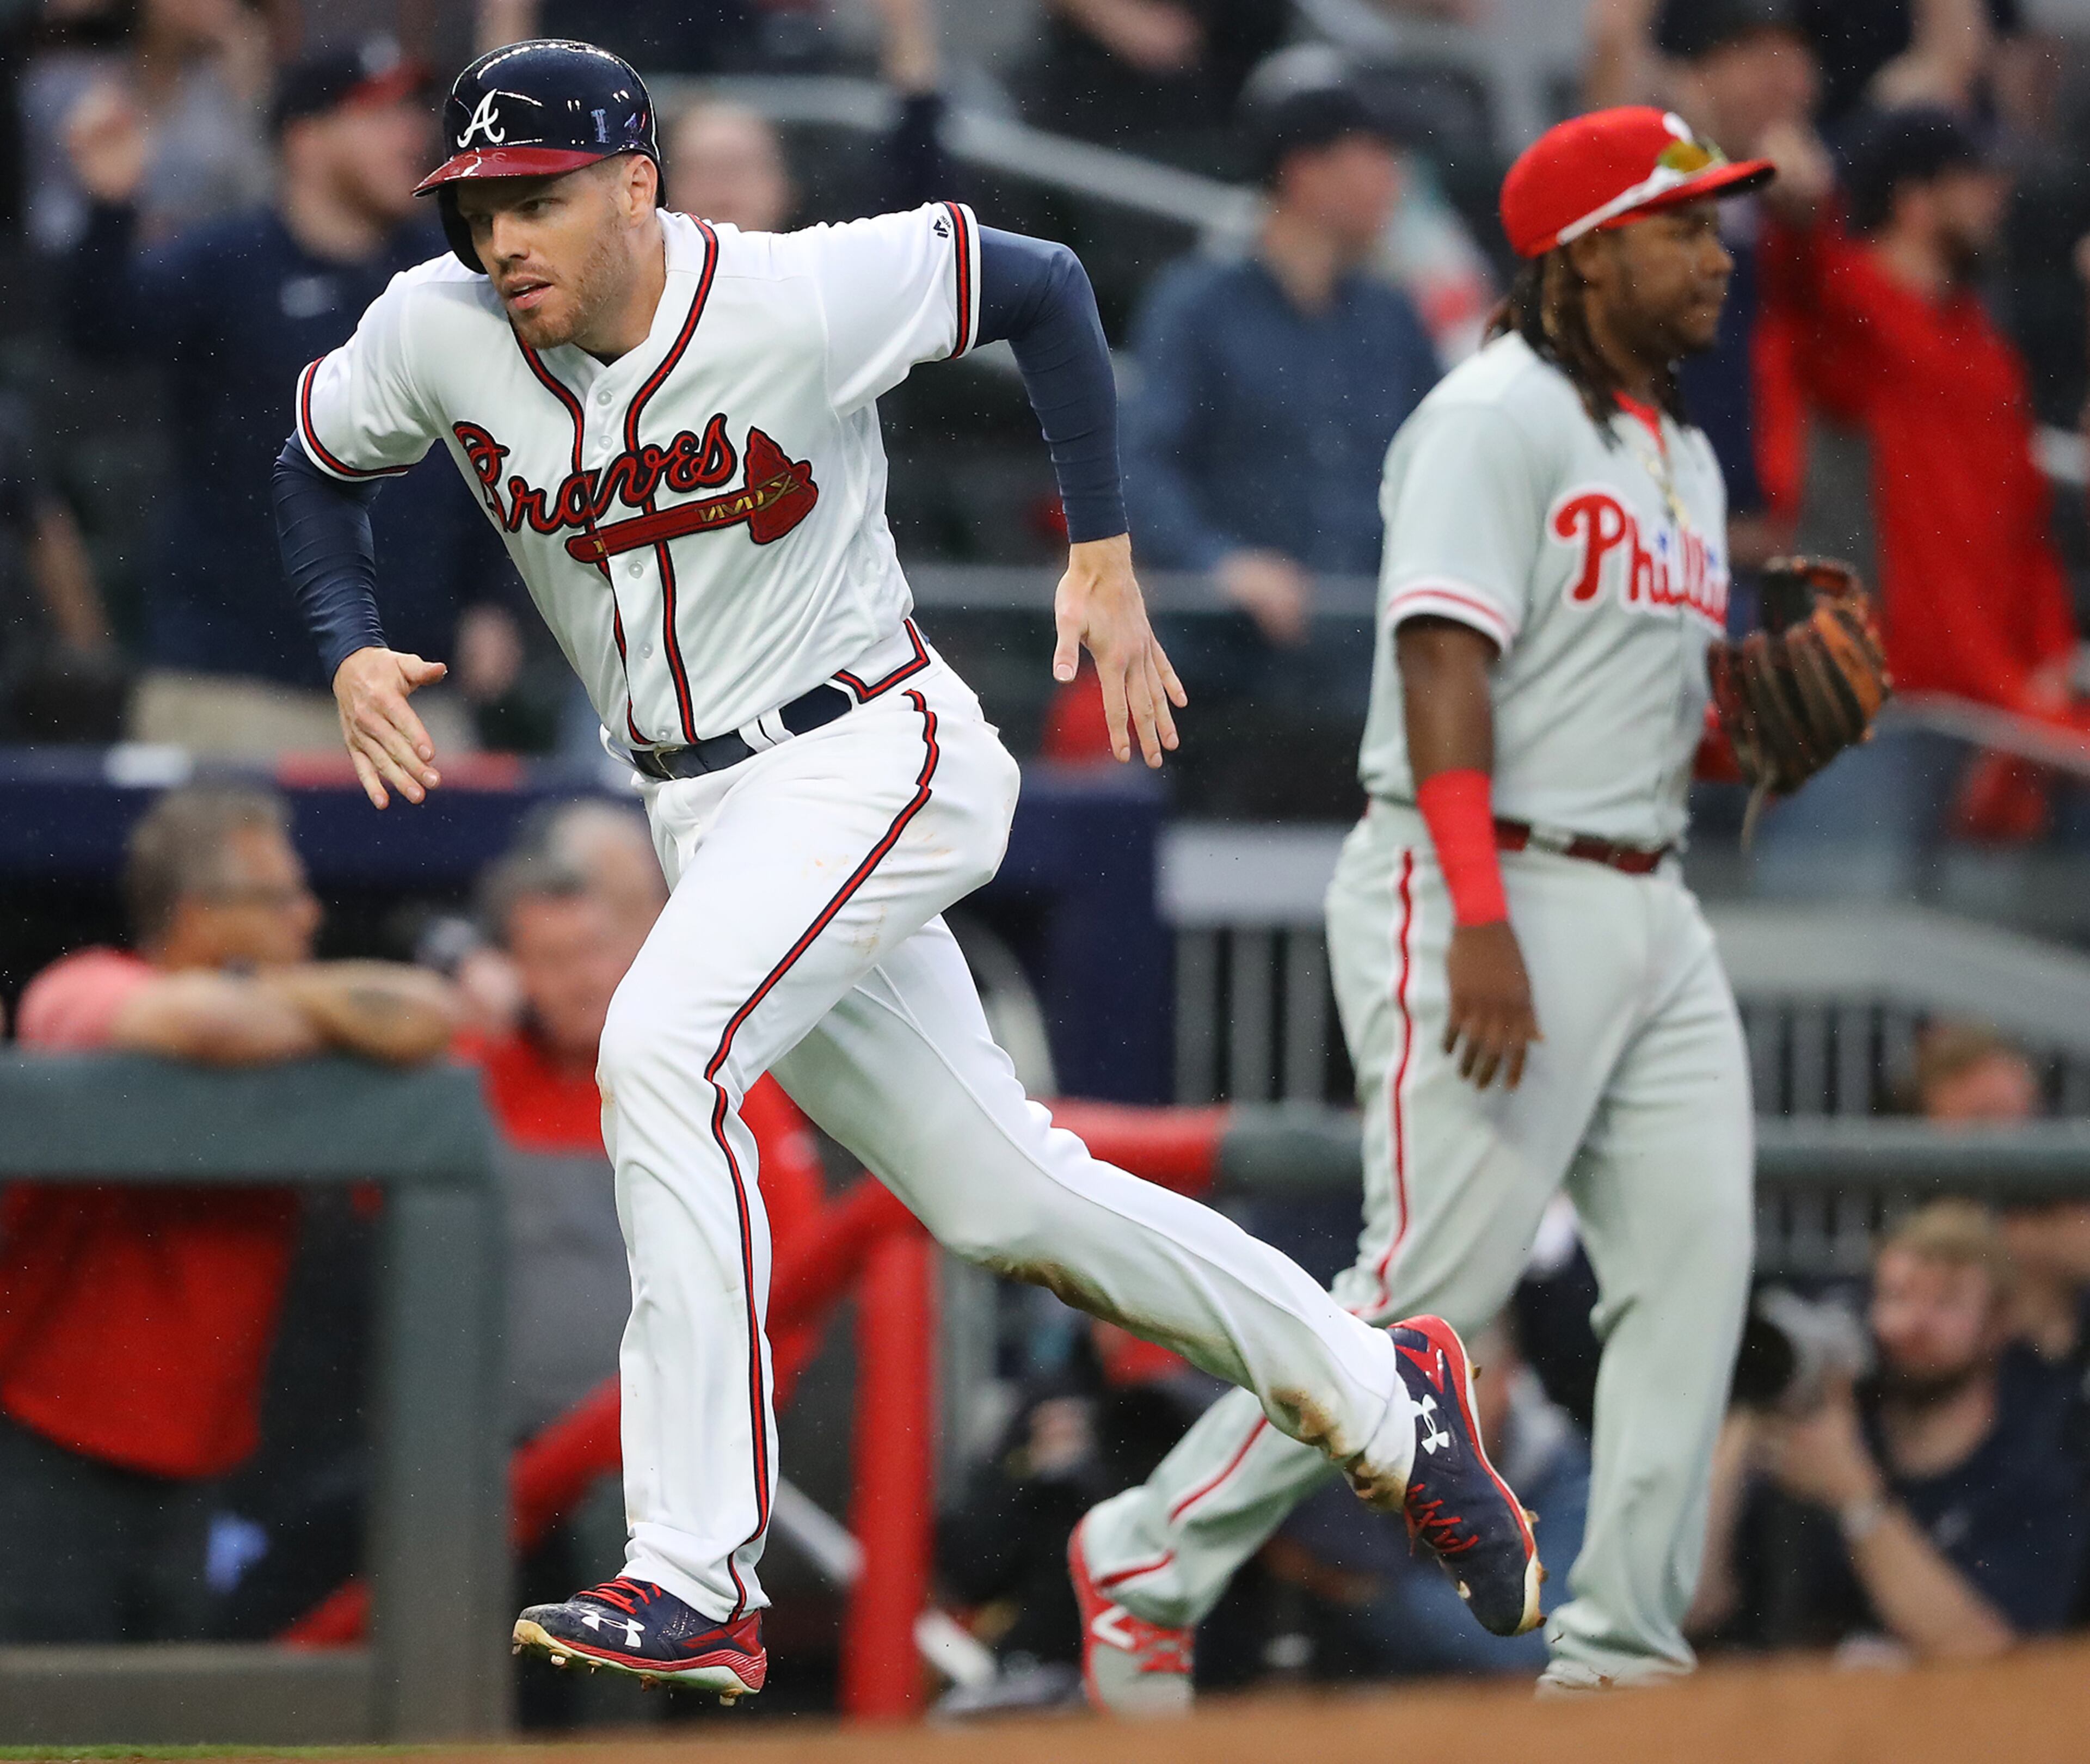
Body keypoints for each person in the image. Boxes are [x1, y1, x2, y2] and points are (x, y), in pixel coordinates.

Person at [271, 39, 1539, 1698]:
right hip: (700, 811)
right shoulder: (438, 330)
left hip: (869, 748)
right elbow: (313, 462)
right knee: (1005, 1197)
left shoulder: (792, 294)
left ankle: (693, 1569)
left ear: (637, 186)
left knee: (659, 1050)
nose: (503, 238)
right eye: (478, 206)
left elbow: (1045, 285)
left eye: (540, 198)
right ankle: (1385, 1393)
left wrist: (1103, 551)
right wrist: (348, 642)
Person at [1073, 106, 1853, 1704]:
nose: (1714, 257)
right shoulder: (1489, 416)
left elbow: (1646, 713)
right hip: (1476, 876)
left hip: (1645, 893)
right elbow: (1440, 661)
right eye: (1679, 226)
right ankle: (1156, 1546)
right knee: (1427, 1293)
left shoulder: (1682, 453)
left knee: (1693, 1272)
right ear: (1587, 254)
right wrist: (1479, 919)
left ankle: (1620, 1655)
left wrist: (1760, 725)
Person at [0, 783, 455, 1644]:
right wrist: (310, 1011)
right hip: (46, 1444)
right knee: (41, 1702)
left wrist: (275, 998)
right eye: (278, 897)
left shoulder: (286, 1023)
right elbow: (198, 1022)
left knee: (174, 1702)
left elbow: (430, 1016)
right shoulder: (87, 981)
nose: (308, 914)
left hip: (199, 1463)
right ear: (197, 912)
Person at [63, 40, 525, 754]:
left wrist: (495, 598)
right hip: (233, 686)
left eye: (412, 113)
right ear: (305, 140)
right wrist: (109, 208)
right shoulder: (227, 261)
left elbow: (493, 444)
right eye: (378, 114)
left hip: (410, 683)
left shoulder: (448, 277)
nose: (410, 134)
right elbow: (100, 332)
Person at [1751, 107, 2079, 880]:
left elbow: (2025, 534)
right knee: (1832, 945)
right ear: (1915, 200)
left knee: (1981, 958)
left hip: (1990, 725)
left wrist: (2050, 657)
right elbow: (1802, 280)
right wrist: (1800, 216)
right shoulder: (1857, 310)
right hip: (1877, 715)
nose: (1996, 197)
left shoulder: (1988, 354)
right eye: (1976, 179)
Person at [1121, 79, 1437, 706]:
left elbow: (1440, 463)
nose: (1395, 181)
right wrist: (1221, 564)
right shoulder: (1196, 307)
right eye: (1376, 156)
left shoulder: (1393, 317)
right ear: (1306, 172)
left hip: (1368, 666)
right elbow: (1141, 464)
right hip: (1222, 668)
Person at [1706, 1202, 2086, 1657]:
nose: (1913, 1325)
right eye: (1897, 1297)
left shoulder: (2038, 1466)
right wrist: (1745, 1420)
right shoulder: (1820, 1438)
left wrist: (1856, 1497)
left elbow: (1983, 1647)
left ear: (1998, 1324)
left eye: (1946, 1302)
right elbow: (1697, 1604)